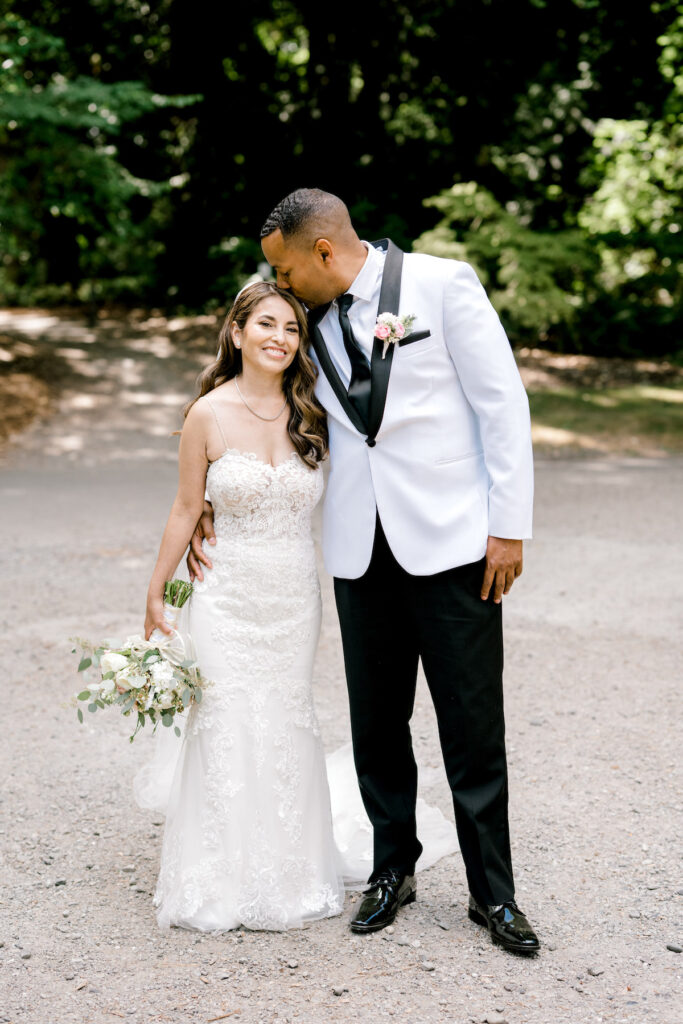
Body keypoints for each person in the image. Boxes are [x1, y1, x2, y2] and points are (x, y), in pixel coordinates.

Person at [189, 189, 540, 954]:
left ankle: (494, 895)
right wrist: (215, 497)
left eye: (283, 269)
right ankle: (392, 869)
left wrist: (507, 527)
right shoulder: (302, 323)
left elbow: (501, 405)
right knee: (375, 723)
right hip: (357, 550)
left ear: (322, 252)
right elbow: (261, 411)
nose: (277, 285)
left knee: (470, 723)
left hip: (453, 545)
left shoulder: (443, 286)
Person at [142, 279, 457, 932]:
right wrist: (157, 591)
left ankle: (289, 870)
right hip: (225, 592)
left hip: (292, 597)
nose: (280, 338)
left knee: (285, 718)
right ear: (236, 332)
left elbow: (377, 463)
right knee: (225, 719)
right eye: (266, 324)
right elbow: (183, 506)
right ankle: (218, 876)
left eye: (291, 328)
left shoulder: (315, 410)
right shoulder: (207, 414)